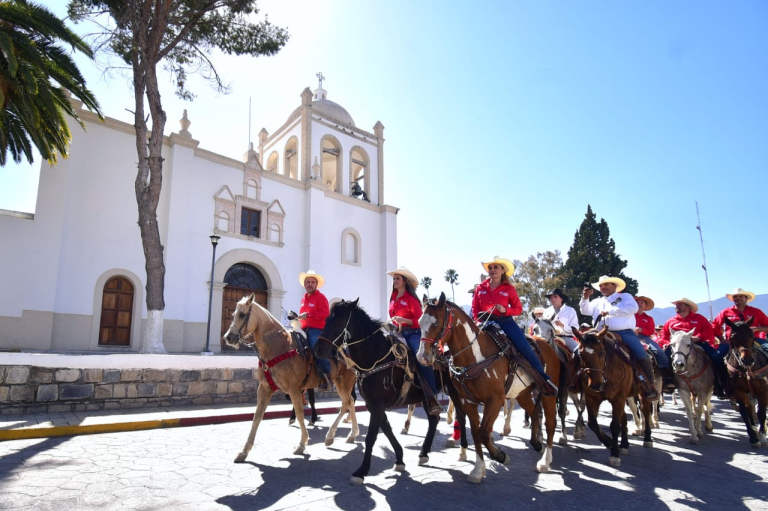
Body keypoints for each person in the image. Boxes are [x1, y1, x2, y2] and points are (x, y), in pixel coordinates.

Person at [471, 256, 558, 396]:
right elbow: (475, 308)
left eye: (495, 267)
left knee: (524, 346)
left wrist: (505, 310)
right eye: (490, 268)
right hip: (484, 322)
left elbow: (518, 309)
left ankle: (542, 379)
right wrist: (477, 321)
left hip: (505, 322)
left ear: (503, 270)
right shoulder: (480, 288)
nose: (492, 270)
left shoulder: (509, 289)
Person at [580, 275, 658, 400]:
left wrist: (610, 311)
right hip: (599, 334)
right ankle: (577, 381)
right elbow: (585, 311)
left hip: (624, 333)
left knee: (641, 352)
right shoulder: (596, 301)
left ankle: (649, 384)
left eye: (606, 284)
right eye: (601, 285)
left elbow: (633, 308)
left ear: (614, 286)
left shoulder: (625, 297)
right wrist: (585, 298)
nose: (603, 287)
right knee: (578, 352)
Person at [387, 266, 441, 416]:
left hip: (413, 333)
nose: (395, 281)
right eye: (394, 279)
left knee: (422, 360)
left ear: (405, 281)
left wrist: (404, 320)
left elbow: (419, 322)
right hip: (397, 332)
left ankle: (432, 395)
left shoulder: (411, 299)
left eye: (397, 278)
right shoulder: (393, 298)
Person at [659, 298, 729, 398]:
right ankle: (668, 381)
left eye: (680, 305)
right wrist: (667, 343)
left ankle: (720, 385)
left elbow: (708, 330)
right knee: (664, 358)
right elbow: (664, 335)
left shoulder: (699, 318)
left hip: (698, 343)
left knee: (716, 358)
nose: (677, 306)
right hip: (677, 346)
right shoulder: (671, 321)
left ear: (688, 307)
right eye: (676, 305)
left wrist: (699, 337)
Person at [298, 270, 332, 391]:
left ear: (316, 284)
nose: (310, 284)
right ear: (304, 284)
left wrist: (309, 316)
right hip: (303, 328)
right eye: (308, 282)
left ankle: (328, 375)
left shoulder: (321, 297)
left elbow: (325, 313)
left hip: (316, 330)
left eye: (312, 282)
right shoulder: (303, 298)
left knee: (316, 349)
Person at [634, 296, 674, 393]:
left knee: (659, 352)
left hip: (645, 339)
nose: (639, 304)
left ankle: (667, 378)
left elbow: (651, 331)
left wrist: (641, 330)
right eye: (637, 302)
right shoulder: (628, 315)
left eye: (642, 302)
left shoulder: (648, 318)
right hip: (629, 336)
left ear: (645, 306)